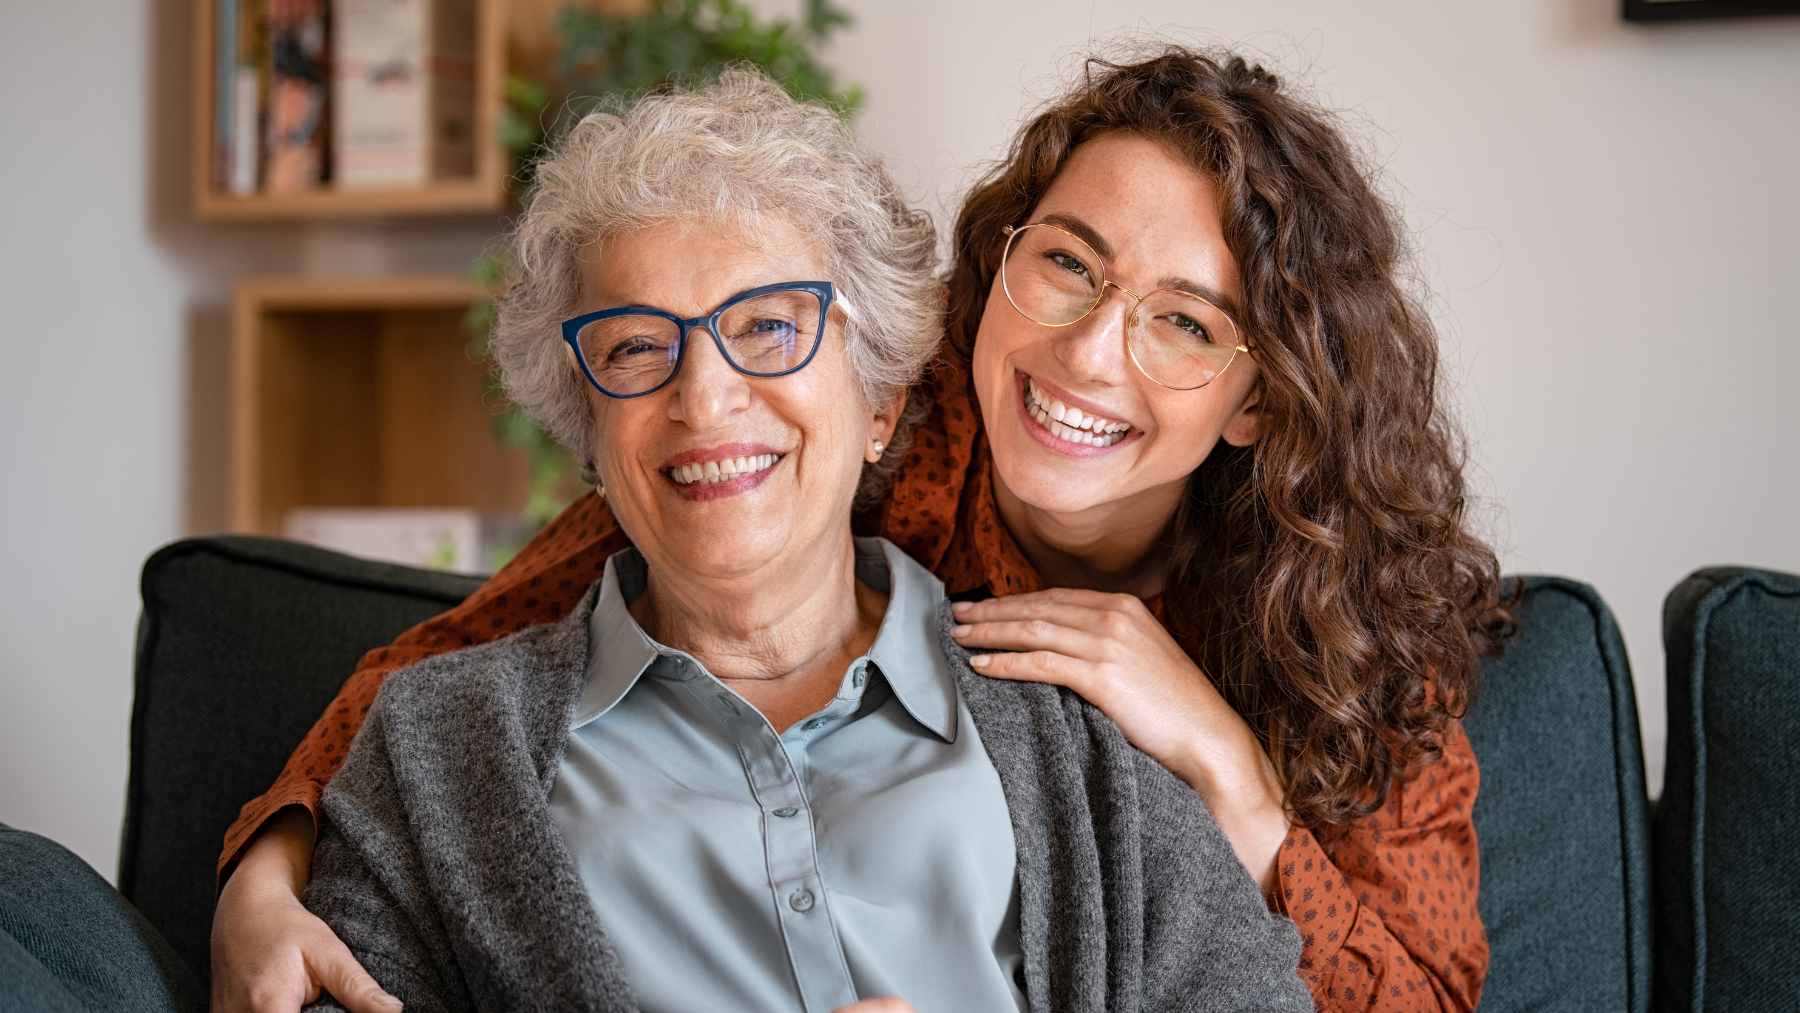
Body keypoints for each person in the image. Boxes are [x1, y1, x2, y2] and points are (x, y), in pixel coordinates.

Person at [215, 46, 1510, 1013]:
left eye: (1185, 320)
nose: (1087, 355)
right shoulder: (862, 417)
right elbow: (461, 660)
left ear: (1255, 397)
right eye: (1066, 262)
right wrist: (264, 868)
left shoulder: (1345, 622)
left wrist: (1229, 770)